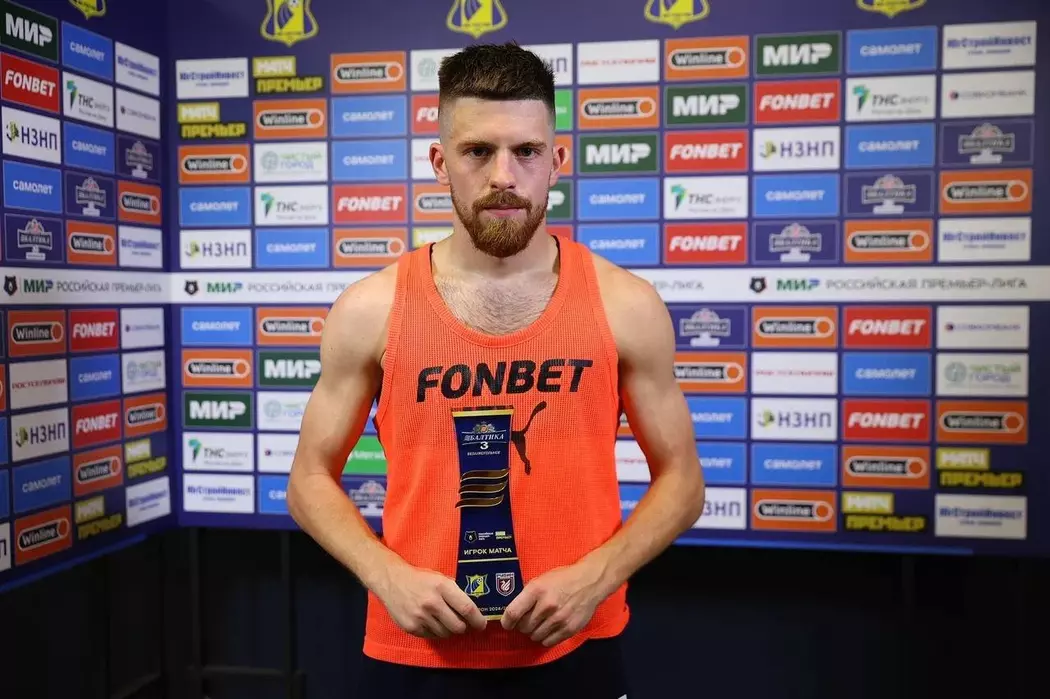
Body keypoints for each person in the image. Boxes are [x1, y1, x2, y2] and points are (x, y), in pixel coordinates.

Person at [286, 42, 705, 698]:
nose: (504, 176)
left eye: (527, 151)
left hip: (576, 646)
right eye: (478, 151)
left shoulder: (626, 305)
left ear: (557, 161)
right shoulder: (371, 309)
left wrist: (597, 577)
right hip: (419, 656)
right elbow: (308, 479)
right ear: (440, 162)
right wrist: (386, 574)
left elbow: (682, 480)